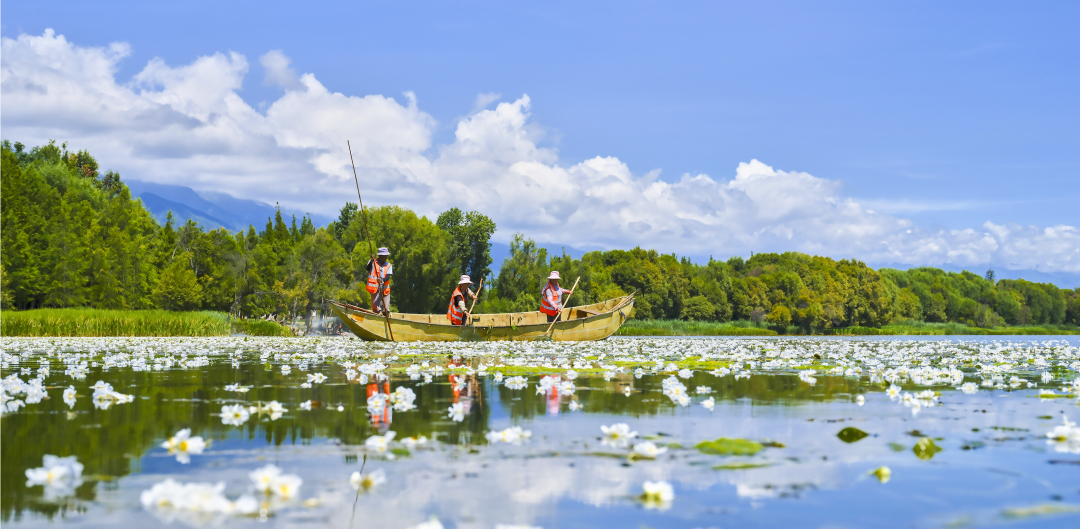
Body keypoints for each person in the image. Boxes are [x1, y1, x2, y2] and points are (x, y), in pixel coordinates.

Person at [365, 247, 392, 314]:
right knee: (376, 310)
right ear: (380, 256)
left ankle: (386, 315)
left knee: (386, 309)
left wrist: (382, 280)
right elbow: (368, 269)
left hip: (385, 290)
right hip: (375, 289)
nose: (386, 257)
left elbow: (388, 276)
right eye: (384, 256)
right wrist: (371, 262)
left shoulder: (389, 265)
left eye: (386, 256)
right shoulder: (372, 262)